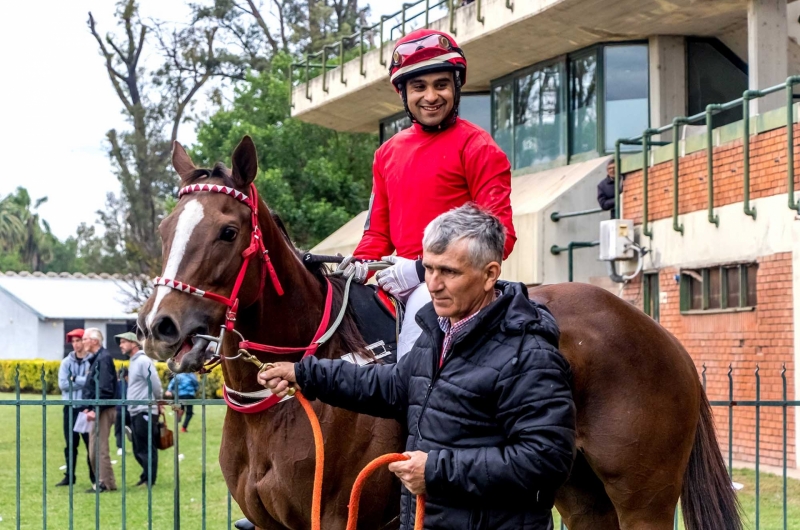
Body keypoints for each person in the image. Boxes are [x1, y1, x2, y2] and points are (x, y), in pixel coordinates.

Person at [262, 205, 576, 530]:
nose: (434, 284)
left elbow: (545, 460)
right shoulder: (437, 334)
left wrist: (436, 471)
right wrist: (304, 374)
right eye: (428, 269)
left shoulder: (530, 353)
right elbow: (389, 386)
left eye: (449, 272)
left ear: (490, 274)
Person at [337, 28, 516, 360]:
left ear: (456, 87)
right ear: (403, 94)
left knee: (416, 334)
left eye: (441, 85)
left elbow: (498, 239)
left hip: (455, 285)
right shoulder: (386, 153)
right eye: (419, 87)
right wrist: (357, 268)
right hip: (397, 279)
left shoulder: (479, 147)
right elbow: (377, 233)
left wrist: (423, 270)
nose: (431, 96)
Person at [117, 332, 163, 487]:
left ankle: (150, 479)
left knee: (146, 446)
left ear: (133, 343)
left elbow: (155, 383)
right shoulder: (134, 361)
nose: (120, 345)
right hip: (136, 410)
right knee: (138, 447)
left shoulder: (143, 360)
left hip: (145, 409)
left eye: (123, 342)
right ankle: (145, 476)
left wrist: (158, 401)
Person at [56, 329, 96, 487]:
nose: (75, 344)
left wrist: (74, 378)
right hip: (70, 407)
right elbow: (63, 384)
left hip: (85, 407)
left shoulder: (92, 360)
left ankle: (94, 475)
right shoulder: (66, 362)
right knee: (70, 444)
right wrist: (82, 380)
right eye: (73, 341)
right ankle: (69, 475)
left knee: (89, 444)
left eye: (78, 340)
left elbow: (92, 383)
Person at [81, 328, 118, 493]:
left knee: (99, 448)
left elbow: (104, 388)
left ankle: (106, 483)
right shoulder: (98, 358)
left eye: (84, 339)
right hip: (98, 407)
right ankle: (103, 481)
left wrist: (95, 409)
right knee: (94, 447)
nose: (82, 342)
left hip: (103, 409)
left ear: (94, 341)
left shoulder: (103, 358)